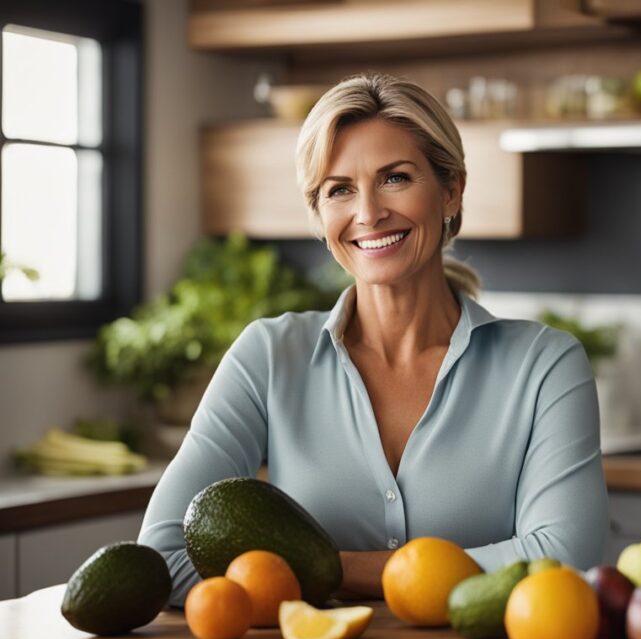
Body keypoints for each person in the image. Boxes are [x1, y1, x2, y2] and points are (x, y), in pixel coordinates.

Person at [139, 73, 607, 605]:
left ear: (451, 189)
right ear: (318, 215)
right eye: (339, 190)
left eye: (395, 178)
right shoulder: (268, 357)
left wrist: (329, 569)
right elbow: (162, 558)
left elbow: (567, 559)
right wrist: (469, 565)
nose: (368, 213)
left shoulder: (545, 366)